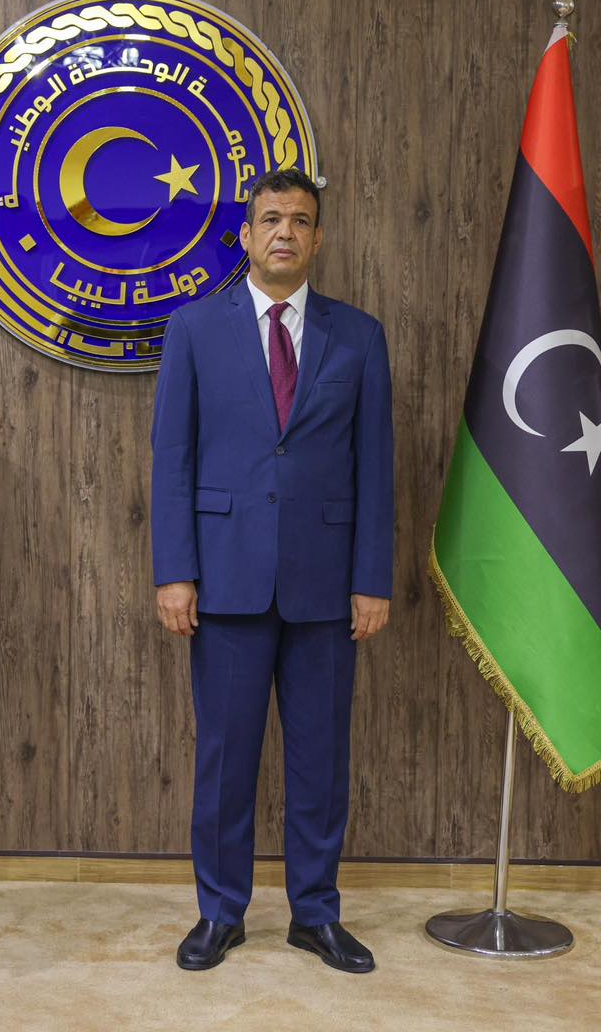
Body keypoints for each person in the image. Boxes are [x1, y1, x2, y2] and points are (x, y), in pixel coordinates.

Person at [150, 168, 393, 974]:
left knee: (321, 761)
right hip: (224, 581)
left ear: (317, 238)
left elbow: (375, 466)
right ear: (246, 235)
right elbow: (172, 459)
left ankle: (315, 914)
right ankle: (220, 913)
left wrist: (372, 578)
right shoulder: (193, 329)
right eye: (271, 219)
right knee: (226, 759)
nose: (285, 231)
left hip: (327, 585)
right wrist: (174, 572)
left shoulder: (359, 336)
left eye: (301, 220)